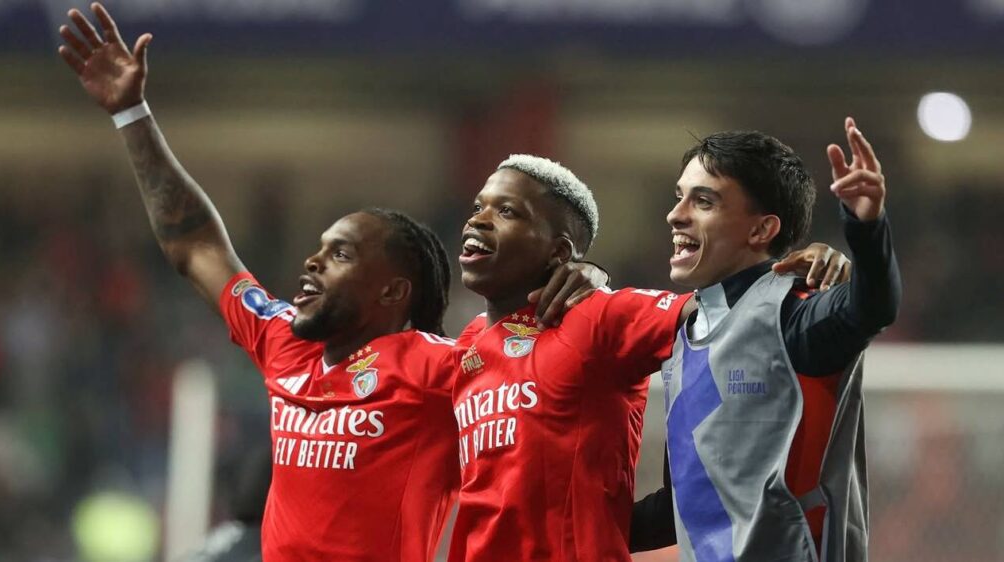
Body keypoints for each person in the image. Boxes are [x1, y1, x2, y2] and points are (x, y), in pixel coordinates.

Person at [55, 5, 604, 560]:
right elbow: (195, 243)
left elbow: (548, 359)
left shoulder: (437, 367)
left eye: (339, 254)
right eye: (318, 250)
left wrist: (584, 280)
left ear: (392, 292)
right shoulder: (283, 342)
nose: (311, 263)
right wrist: (131, 114)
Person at [445, 154, 850, 562]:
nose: (478, 220)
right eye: (479, 207)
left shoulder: (596, 316)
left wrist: (784, 272)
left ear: (559, 251)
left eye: (508, 211)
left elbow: (716, 309)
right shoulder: (468, 344)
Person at [629, 120, 900, 561]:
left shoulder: (794, 316)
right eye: (679, 197)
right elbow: (681, 506)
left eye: (703, 201)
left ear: (761, 231)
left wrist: (867, 226)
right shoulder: (684, 335)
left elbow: (873, 308)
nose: (676, 214)